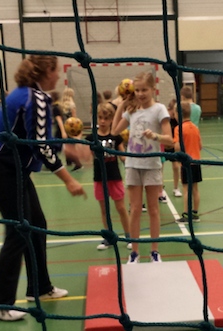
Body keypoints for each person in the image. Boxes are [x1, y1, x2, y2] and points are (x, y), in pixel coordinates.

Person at [0, 54, 86, 322]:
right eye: (56, 71)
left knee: (36, 224)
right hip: (1, 170)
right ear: (45, 72)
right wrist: (69, 179)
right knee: (18, 232)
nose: (58, 75)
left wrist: (64, 147)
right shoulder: (35, 98)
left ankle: (40, 287)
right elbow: (40, 146)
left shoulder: (26, 95)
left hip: (12, 170)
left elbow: (34, 138)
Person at [112, 71, 173, 264]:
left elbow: (170, 140)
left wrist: (155, 136)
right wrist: (122, 105)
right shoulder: (132, 111)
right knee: (135, 209)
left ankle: (154, 251)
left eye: (144, 90)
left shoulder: (160, 109)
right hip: (133, 165)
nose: (140, 94)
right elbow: (114, 131)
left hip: (152, 165)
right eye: (137, 90)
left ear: (153, 89)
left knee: (153, 209)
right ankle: (135, 252)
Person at [74, 103, 131, 250]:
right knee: (104, 210)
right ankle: (109, 237)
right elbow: (86, 158)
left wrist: (131, 158)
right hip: (99, 178)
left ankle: (129, 235)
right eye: (100, 118)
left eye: (106, 118)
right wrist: (77, 139)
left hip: (115, 177)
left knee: (121, 208)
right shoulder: (92, 137)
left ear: (112, 119)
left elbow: (122, 156)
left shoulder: (116, 136)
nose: (103, 121)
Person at [173, 102, 203, 223]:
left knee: (186, 189)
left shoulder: (178, 128)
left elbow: (177, 147)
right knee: (195, 189)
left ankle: (186, 214)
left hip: (186, 163)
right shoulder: (195, 128)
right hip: (196, 162)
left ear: (178, 114)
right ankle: (195, 213)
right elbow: (200, 146)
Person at [165, 98, 182, 198]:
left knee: (176, 167)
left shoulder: (177, 121)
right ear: (169, 109)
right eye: (173, 111)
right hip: (164, 146)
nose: (174, 114)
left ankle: (176, 188)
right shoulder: (165, 119)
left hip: (173, 147)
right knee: (159, 167)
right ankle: (160, 188)